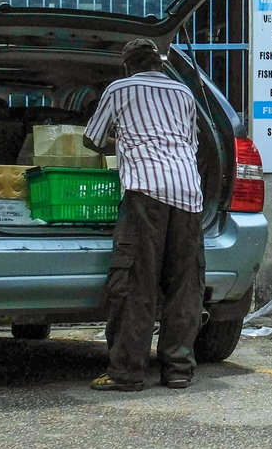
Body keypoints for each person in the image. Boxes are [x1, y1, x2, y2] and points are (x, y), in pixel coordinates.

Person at [85, 38, 207, 393]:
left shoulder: (120, 88)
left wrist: (122, 139)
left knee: (137, 283)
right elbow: (191, 145)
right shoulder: (184, 93)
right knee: (185, 285)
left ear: (127, 66)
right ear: (159, 64)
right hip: (189, 194)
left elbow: (91, 140)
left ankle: (126, 372)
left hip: (145, 193)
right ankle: (179, 369)